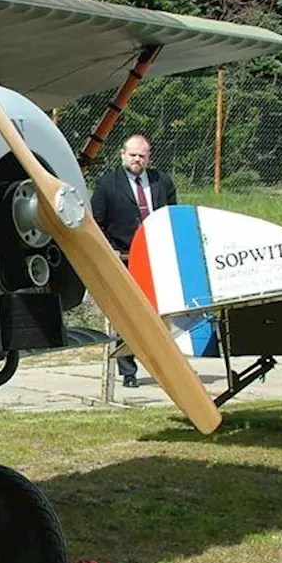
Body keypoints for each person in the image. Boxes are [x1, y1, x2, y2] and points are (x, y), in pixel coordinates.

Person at [90, 133, 177, 388]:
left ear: (148, 157)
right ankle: (128, 371)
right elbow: (97, 223)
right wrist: (109, 253)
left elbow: (172, 215)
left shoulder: (162, 182)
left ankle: (165, 367)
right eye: (133, 155)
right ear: (123, 155)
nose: (137, 159)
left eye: (142, 155)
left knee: (160, 314)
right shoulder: (108, 185)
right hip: (124, 259)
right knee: (127, 316)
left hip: (156, 257)